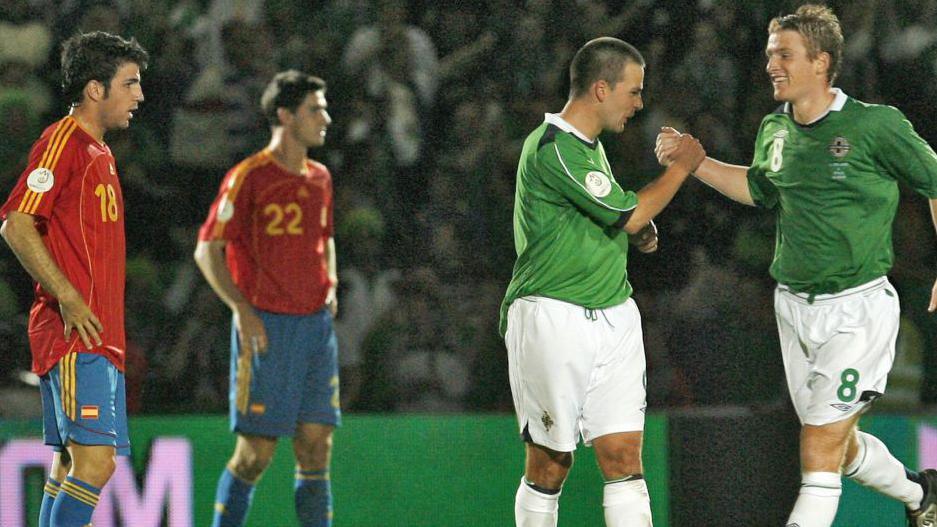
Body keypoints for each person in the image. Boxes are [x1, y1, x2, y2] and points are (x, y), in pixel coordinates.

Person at [655, 5, 937, 527]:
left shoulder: (876, 125)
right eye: (768, 54)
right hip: (794, 310)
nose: (770, 65)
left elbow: (934, 180)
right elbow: (760, 190)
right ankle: (922, 495)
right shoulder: (774, 129)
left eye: (784, 54)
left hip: (857, 310)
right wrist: (697, 163)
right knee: (839, 448)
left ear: (821, 62)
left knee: (819, 447)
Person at [500, 36, 705, 526]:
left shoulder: (591, 150)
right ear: (599, 89)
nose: (639, 103)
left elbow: (612, 213)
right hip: (551, 315)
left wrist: (630, 231)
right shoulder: (555, 147)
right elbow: (628, 214)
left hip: (613, 315)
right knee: (550, 463)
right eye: (632, 92)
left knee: (624, 460)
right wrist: (683, 166)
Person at [0, 31, 147, 527]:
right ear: (95, 89)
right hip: (74, 334)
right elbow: (16, 224)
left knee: (70, 465)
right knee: (95, 462)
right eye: (129, 83)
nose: (139, 96)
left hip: (99, 335)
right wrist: (67, 296)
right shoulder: (63, 141)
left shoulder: (99, 153)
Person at [194, 70, 339, 527]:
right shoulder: (249, 177)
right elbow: (207, 249)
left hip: (315, 328)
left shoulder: (320, 177)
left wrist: (330, 282)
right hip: (268, 329)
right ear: (285, 115)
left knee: (317, 445)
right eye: (315, 109)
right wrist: (241, 309)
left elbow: (326, 236)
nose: (326, 119)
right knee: (256, 454)